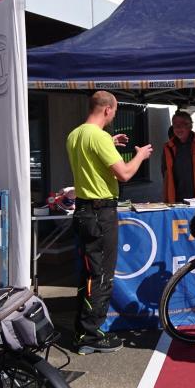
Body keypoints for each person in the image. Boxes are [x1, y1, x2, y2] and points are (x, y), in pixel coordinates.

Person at [66, 91, 153, 354]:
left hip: (83, 210)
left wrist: (109, 144)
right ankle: (91, 335)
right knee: (102, 276)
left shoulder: (76, 134)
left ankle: (83, 331)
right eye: (115, 111)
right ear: (107, 110)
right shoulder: (99, 137)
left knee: (89, 274)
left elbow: (91, 156)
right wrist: (140, 155)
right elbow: (125, 174)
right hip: (100, 212)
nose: (114, 115)